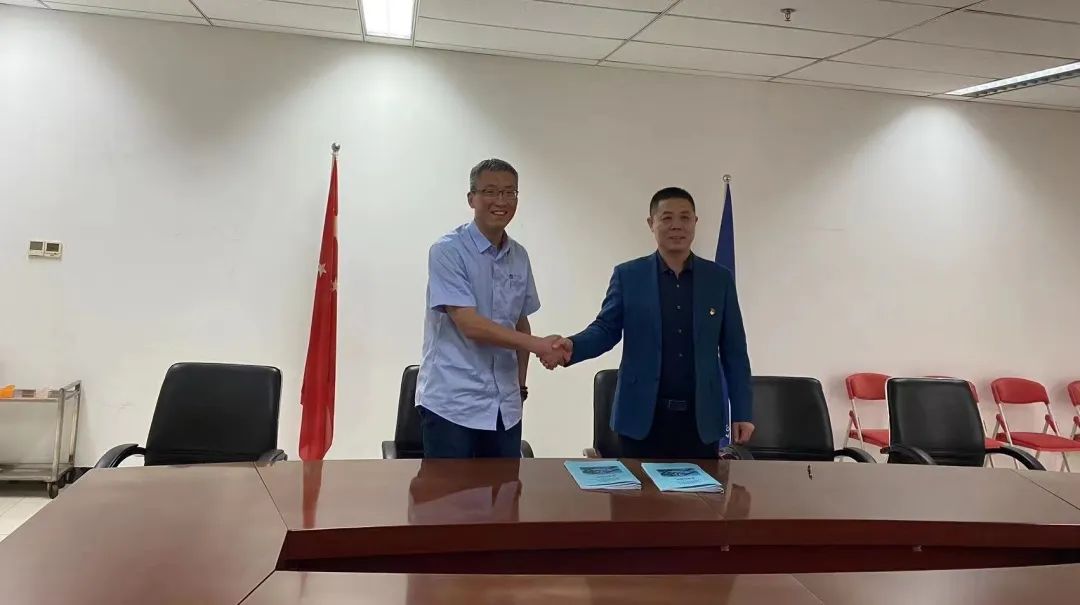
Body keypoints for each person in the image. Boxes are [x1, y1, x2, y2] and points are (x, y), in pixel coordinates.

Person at [540, 187, 753, 458]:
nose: (676, 225)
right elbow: (606, 329)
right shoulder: (629, 276)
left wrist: (743, 411)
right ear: (651, 223)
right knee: (637, 487)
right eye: (667, 218)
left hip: (701, 420)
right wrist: (573, 346)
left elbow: (734, 351)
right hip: (641, 418)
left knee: (702, 487)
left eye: (685, 218)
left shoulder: (719, 279)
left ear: (695, 222)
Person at [416, 158, 563, 458]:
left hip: (505, 408)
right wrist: (539, 345)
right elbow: (470, 324)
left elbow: (520, 321)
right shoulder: (448, 251)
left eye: (509, 192)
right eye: (491, 191)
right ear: (471, 198)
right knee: (449, 490)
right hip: (453, 406)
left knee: (505, 487)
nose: (501, 201)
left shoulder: (519, 256)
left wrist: (520, 386)